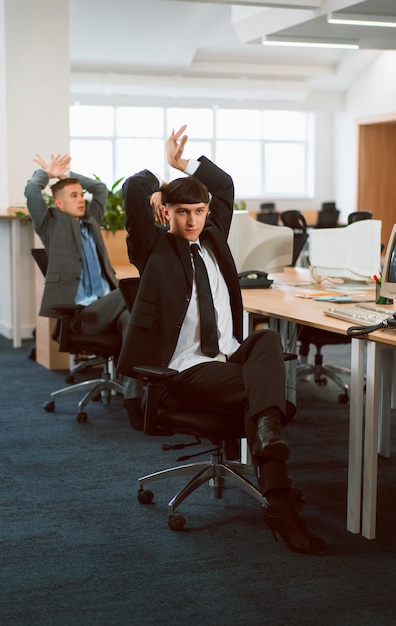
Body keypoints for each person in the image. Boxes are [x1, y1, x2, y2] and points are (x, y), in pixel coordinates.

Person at [118, 125, 327, 555]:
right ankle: (280, 501)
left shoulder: (214, 238)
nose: (192, 220)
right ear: (166, 214)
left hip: (229, 358)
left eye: (198, 211)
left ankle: (266, 434)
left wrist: (186, 165)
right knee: (264, 394)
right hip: (185, 370)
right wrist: (160, 181)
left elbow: (224, 185)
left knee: (266, 342)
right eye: (182, 212)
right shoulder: (152, 250)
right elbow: (133, 190)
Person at [24, 153, 144, 430]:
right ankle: (142, 391)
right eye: (74, 195)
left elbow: (100, 189)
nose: (81, 199)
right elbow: (32, 191)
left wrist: (69, 176)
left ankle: (134, 399)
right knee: (135, 293)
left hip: (109, 308)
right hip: (82, 314)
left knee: (133, 320)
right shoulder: (51, 225)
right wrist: (50, 174)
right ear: (58, 203)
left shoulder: (92, 220)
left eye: (81, 195)